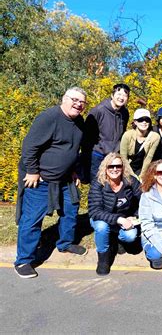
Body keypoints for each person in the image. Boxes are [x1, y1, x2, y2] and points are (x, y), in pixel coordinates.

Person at [14, 87, 88, 279]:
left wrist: (72, 170)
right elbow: (29, 146)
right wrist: (32, 171)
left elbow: (72, 149)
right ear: (64, 99)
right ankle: (24, 260)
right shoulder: (48, 117)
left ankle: (64, 244)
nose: (78, 104)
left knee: (70, 211)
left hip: (65, 179)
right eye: (75, 100)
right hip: (41, 180)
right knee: (32, 219)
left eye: (82, 102)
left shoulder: (79, 122)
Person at [88, 153, 141, 275]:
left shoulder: (131, 181)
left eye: (118, 166)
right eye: (110, 166)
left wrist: (136, 216)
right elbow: (95, 211)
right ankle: (103, 258)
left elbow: (144, 200)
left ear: (123, 167)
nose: (114, 169)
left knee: (131, 236)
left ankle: (117, 239)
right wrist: (120, 219)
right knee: (102, 227)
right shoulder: (98, 183)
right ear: (105, 168)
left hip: (124, 219)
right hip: (102, 219)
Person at [84, 83, 130, 182]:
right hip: (98, 155)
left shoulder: (125, 113)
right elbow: (86, 136)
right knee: (97, 185)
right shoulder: (98, 110)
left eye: (125, 95)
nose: (121, 98)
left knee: (113, 186)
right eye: (119, 94)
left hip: (114, 156)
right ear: (112, 95)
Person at [120, 108, 160, 180]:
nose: (144, 122)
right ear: (135, 122)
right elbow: (123, 158)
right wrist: (132, 176)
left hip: (143, 170)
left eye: (147, 120)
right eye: (140, 120)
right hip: (127, 168)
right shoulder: (127, 135)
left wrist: (141, 176)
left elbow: (148, 158)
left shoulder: (155, 137)